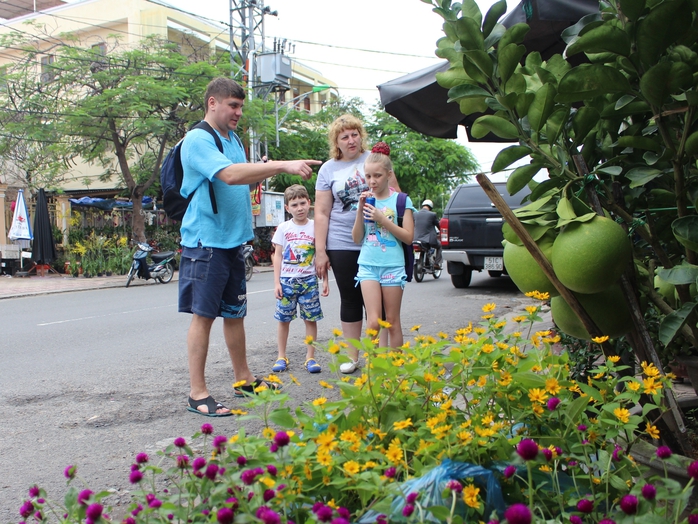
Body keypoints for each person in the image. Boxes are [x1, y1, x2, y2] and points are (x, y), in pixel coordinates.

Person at [180, 77, 321, 417]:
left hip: (232, 242)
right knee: (204, 316)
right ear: (212, 102)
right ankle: (197, 393)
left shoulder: (234, 141)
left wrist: (262, 168)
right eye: (233, 105)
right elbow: (228, 175)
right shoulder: (198, 139)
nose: (238, 112)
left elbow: (243, 175)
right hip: (207, 242)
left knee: (234, 314)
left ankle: (244, 378)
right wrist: (282, 165)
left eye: (240, 106)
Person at [314, 115, 400, 374]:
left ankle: (381, 355)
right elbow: (321, 212)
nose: (351, 140)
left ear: (361, 135)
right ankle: (353, 357)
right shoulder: (328, 169)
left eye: (354, 134)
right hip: (341, 242)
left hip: (378, 239)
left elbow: (396, 196)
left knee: (382, 304)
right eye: (344, 137)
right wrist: (320, 251)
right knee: (350, 300)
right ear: (336, 142)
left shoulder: (374, 159)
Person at [352, 142, 415, 350]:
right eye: (368, 176)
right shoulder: (366, 200)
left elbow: (408, 237)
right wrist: (360, 209)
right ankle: (374, 372)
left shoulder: (401, 201)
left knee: (392, 322)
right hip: (368, 265)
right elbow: (356, 238)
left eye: (377, 176)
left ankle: (395, 373)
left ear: (389, 174)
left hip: (393, 266)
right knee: (373, 323)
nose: (372, 181)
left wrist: (383, 219)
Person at [270, 184, 329, 374]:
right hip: (287, 281)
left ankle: (310, 357)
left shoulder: (316, 227)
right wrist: (277, 282)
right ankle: (281, 356)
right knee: (283, 320)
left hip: (309, 281)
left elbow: (322, 254)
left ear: (309, 203)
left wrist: (325, 280)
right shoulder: (283, 228)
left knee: (310, 319)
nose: (299, 208)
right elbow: (277, 255)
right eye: (294, 205)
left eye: (302, 203)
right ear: (287, 208)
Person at [413, 199, 443, 270]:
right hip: (428, 240)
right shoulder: (432, 214)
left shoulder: (415, 214)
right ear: (431, 207)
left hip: (416, 239)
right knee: (440, 246)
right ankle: (436, 263)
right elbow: (438, 225)